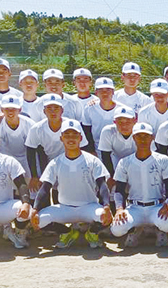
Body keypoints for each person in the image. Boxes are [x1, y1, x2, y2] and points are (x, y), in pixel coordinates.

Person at [30, 119, 113, 249]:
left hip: (88, 206)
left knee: (105, 217)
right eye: (67, 135)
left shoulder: (92, 160)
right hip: (65, 208)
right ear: (61, 138)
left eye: (74, 135)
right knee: (37, 220)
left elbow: (102, 185)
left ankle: (92, 233)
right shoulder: (55, 162)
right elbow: (45, 189)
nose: (71, 139)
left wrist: (107, 206)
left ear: (80, 138)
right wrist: (35, 209)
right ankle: (67, 233)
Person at [110, 122, 168, 248]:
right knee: (117, 229)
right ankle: (134, 230)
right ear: (133, 138)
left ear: (152, 138)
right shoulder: (125, 162)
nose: (142, 139)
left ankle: (159, 230)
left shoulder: (162, 159)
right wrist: (119, 208)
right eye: (139, 136)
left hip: (156, 206)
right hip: (134, 208)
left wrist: (167, 204)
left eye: (146, 136)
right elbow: (119, 190)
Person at [26, 95, 90, 188]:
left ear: (62, 110)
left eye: (56, 108)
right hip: (48, 162)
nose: (53, 111)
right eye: (49, 108)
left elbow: (83, 147)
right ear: (44, 111)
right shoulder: (36, 128)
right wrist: (34, 176)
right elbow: (31, 151)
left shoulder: (73, 125)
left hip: (71, 160)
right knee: (49, 189)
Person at [0, 95, 36, 187]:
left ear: (20, 110)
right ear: (1, 110)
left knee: (31, 192)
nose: (10, 111)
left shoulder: (30, 124)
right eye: (7, 109)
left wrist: (35, 175)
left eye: (14, 108)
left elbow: (36, 149)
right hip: (6, 161)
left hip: (28, 160)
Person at [97, 105, 138, 178]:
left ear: (135, 121)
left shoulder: (142, 132)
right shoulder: (108, 131)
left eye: (128, 122)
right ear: (114, 121)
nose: (124, 126)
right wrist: (111, 177)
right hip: (115, 166)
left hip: (138, 166)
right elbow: (105, 156)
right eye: (120, 122)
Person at [82, 77, 118, 150]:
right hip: (97, 148)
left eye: (108, 90)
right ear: (96, 92)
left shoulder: (121, 109)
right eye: (101, 90)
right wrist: (91, 150)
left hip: (118, 148)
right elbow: (86, 130)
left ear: (113, 91)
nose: (105, 93)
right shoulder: (89, 108)